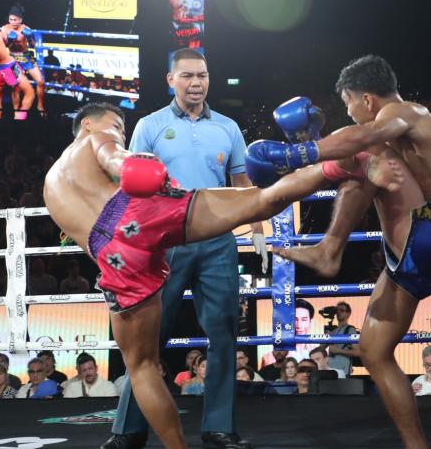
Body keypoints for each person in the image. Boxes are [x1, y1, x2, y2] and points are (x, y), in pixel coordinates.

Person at [42, 102, 403, 449]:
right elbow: (115, 157)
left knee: (142, 367)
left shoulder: (50, 185)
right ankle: (342, 165)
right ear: (87, 123)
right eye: (116, 125)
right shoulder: (96, 137)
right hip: (136, 213)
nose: (119, 132)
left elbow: (88, 234)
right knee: (261, 200)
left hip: (113, 255)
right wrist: (133, 164)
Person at [255, 55, 431, 449]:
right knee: (373, 351)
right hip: (422, 247)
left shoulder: (406, 112)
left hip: (427, 229)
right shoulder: (399, 133)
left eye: (348, 103)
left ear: (366, 99)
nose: (349, 112)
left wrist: (296, 154)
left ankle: (328, 248)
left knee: (365, 153)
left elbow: (364, 139)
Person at [107, 48, 268, 449]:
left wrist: (258, 227)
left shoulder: (228, 127)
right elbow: (131, 186)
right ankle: (128, 431)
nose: (196, 83)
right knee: (148, 338)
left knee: (224, 333)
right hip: (163, 242)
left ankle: (219, 428)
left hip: (217, 240)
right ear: (171, 80)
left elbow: (242, 184)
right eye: (188, 76)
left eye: (202, 75)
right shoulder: (150, 126)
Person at [1, 5, 45, 116]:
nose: (12, 22)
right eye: (11, 19)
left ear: (20, 20)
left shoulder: (26, 28)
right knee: (16, 87)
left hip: (26, 56)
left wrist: (29, 37)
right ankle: (16, 112)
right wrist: (10, 41)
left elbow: (33, 46)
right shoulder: (5, 29)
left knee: (40, 81)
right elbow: (4, 46)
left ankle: (40, 105)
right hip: (13, 57)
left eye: (15, 20)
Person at [326, 301, 361, 376]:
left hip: (342, 372)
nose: (338, 313)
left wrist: (338, 350)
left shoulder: (350, 330)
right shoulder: (333, 331)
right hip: (330, 370)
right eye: (337, 311)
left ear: (348, 313)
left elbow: (357, 352)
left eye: (342, 310)